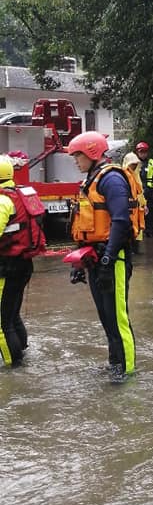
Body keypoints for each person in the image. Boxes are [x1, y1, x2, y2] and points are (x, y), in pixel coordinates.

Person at [68, 131, 142, 380]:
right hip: (95, 258)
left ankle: (128, 373)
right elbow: (86, 223)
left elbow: (121, 221)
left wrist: (109, 260)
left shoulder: (111, 179)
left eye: (77, 155)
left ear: (91, 153)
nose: (75, 160)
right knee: (105, 317)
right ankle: (115, 365)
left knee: (118, 318)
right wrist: (79, 262)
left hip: (114, 258)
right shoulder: (91, 179)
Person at [0, 154, 46, 368]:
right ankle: (23, 354)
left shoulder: (2, 200)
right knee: (12, 315)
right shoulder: (18, 193)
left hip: (7, 266)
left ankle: (13, 369)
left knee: (2, 323)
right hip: (23, 263)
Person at [122, 151, 148, 248]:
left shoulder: (136, 176)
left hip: (137, 210)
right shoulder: (123, 176)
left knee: (137, 233)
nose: (134, 166)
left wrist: (144, 204)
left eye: (135, 164)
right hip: (128, 212)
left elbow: (140, 193)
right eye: (132, 164)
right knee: (128, 235)